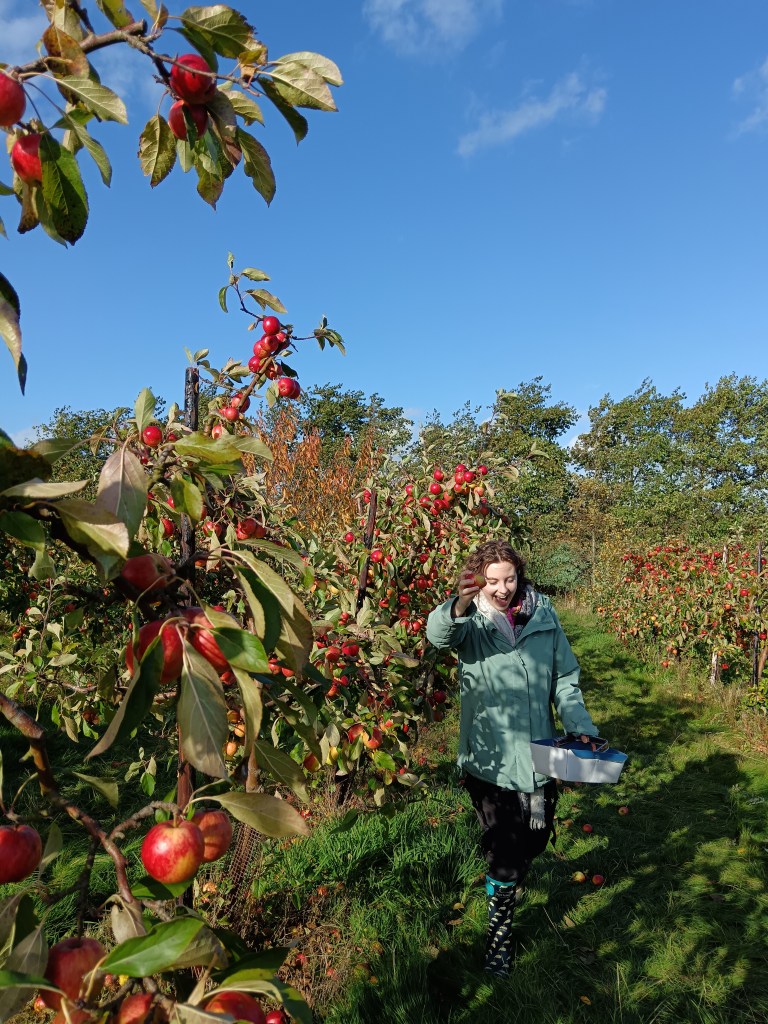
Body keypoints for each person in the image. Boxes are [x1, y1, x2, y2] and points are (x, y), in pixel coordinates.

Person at [426, 539, 599, 976]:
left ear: (520, 576)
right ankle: (499, 939)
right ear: (479, 580)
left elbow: (565, 678)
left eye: (509, 579)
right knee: (505, 849)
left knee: (534, 842)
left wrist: (579, 728)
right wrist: (460, 602)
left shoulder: (544, 616)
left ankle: (507, 879)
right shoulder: (470, 623)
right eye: (492, 581)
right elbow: (438, 634)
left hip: (541, 755)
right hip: (490, 758)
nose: (502, 589)